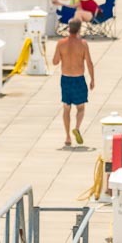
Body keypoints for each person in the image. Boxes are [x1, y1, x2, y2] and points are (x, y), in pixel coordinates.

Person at [52, 18, 95, 147]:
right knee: (80, 108)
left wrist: (63, 55)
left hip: (65, 79)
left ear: (68, 28)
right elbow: (89, 63)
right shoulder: (83, 44)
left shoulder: (61, 43)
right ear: (79, 28)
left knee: (66, 108)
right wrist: (92, 79)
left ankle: (67, 137)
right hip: (78, 78)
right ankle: (76, 127)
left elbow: (55, 62)